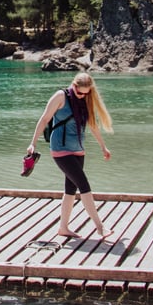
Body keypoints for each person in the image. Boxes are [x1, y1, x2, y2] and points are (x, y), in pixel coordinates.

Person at [27, 70, 115, 241]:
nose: (82, 96)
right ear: (74, 86)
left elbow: (93, 126)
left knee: (70, 190)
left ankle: (63, 228)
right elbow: (45, 119)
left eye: (86, 94)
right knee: (84, 185)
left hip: (78, 149)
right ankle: (100, 226)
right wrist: (33, 143)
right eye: (80, 93)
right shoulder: (61, 96)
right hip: (61, 149)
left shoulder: (85, 101)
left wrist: (104, 147)